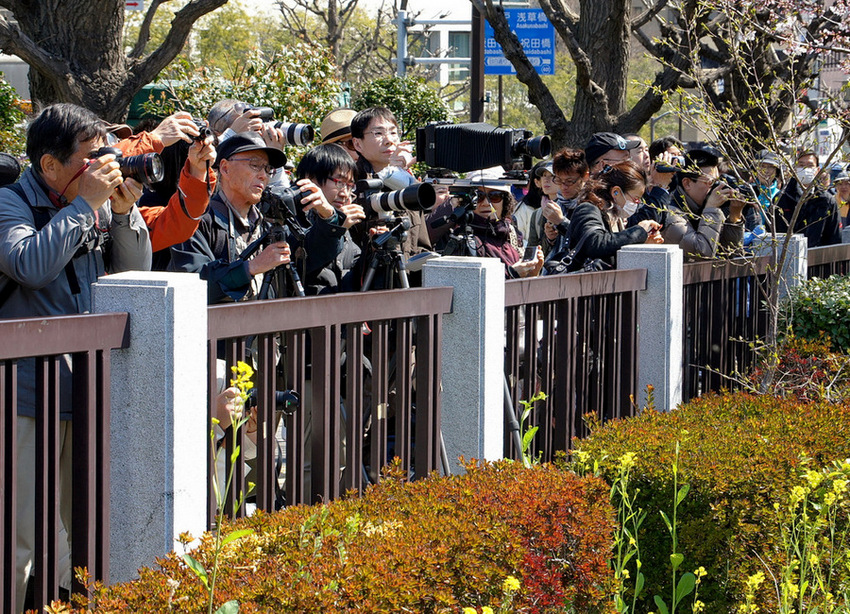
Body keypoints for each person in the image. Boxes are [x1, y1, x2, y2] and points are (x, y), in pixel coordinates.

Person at [0, 103, 152, 612]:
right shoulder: (8, 202)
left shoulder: (89, 203)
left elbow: (134, 276)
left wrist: (124, 215)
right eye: (92, 158)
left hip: (82, 389)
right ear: (49, 165)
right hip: (24, 393)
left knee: (79, 527)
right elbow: (30, 265)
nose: (106, 167)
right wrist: (83, 208)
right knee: (22, 534)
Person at [169, 132, 345, 304]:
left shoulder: (268, 221)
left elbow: (309, 258)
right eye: (255, 165)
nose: (263, 175)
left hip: (266, 330)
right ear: (225, 168)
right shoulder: (196, 219)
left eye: (268, 169)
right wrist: (250, 268)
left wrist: (328, 216)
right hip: (218, 331)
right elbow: (192, 282)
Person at [630, 146, 745, 261]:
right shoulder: (670, 213)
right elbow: (702, 252)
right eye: (710, 182)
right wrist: (711, 208)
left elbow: (730, 252)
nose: (716, 188)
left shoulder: (706, 208)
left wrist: (735, 216)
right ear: (687, 184)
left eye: (717, 181)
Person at [558, 160, 662, 272]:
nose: (637, 203)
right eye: (635, 198)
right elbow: (595, 244)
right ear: (616, 192)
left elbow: (612, 252)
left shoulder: (615, 216)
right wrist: (639, 231)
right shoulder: (588, 208)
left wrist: (644, 242)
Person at [296, 143, 366, 294]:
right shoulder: (292, 217)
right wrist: (334, 224)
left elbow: (356, 275)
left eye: (350, 186)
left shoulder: (343, 220)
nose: (345, 193)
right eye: (339, 182)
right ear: (310, 179)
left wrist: (375, 250)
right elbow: (305, 263)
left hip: (344, 314)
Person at [461, 170, 543, 279]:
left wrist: (531, 273)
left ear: (505, 200)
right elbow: (470, 285)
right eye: (479, 196)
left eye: (495, 196)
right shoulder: (463, 238)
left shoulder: (511, 231)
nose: (486, 203)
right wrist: (512, 273)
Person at [775, 150, 842, 247]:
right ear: (794, 169)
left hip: (816, 258)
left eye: (810, 165)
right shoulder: (781, 199)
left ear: (817, 170)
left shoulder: (826, 201)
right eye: (801, 165)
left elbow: (834, 238)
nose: (805, 169)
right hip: (786, 257)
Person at [534, 148, 589, 256]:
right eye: (559, 180)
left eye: (569, 181)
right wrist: (550, 238)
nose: (563, 187)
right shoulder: (554, 206)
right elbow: (543, 251)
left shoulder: (593, 204)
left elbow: (593, 243)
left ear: (585, 177)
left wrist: (561, 222)